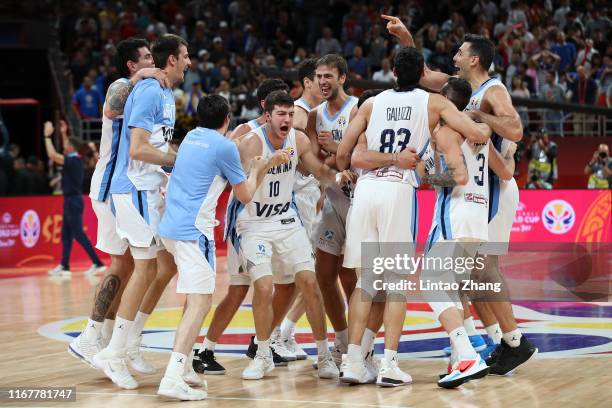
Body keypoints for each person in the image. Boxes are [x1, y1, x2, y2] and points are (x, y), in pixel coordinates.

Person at [336, 48, 491, 388]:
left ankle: (352, 362)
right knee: (396, 286)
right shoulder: (433, 102)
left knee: (365, 283)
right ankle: (389, 363)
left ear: (392, 72)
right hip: (397, 192)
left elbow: (343, 155)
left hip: (365, 193)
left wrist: (382, 156)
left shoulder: (371, 103)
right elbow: (476, 132)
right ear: (422, 71)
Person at [156, 95, 287, 400]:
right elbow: (245, 195)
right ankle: (172, 375)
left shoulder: (191, 137)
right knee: (201, 303)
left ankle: (185, 365)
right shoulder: (225, 147)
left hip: (171, 228)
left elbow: (219, 148)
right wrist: (260, 167)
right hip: (193, 232)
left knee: (194, 300)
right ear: (227, 118)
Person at [93, 34, 190, 390]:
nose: (190, 62)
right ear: (171, 61)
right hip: (131, 188)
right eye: (185, 56)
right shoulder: (147, 90)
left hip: (147, 189)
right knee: (144, 266)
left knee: (163, 265)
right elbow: (137, 149)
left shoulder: (166, 94)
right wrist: (179, 160)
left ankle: (126, 344)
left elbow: (156, 145)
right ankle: (112, 350)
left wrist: (172, 159)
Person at [67, 37, 169, 368]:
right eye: (147, 58)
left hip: (124, 188)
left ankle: (112, 342)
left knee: (133, 267)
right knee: (126, 266)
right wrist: (140, 78)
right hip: (110, 188)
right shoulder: (123, 84)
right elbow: (111, 109)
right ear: (131, 64)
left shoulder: (147, 92)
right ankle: (91, 335)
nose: (153, 62)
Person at [226, 90, 341, 380]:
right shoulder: (251, 143)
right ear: (268, 117)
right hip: (253, 223)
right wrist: (265, 164)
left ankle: (325, 355)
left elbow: (317, 170)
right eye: (281, 114)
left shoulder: (298, 139)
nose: (287, 119)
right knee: (264, 287)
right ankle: (263, 354)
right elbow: (240, 188)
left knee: (310, 282)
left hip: (286, 219)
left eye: (290, 114)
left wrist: (338, 178)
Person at [306, 54, 359, 365]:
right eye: (319, 76)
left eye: (329, 76)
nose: (323, 82)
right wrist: (334, 155)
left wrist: (335, 150)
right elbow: (314, 162)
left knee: (349, 276)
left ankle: (357, 347)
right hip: (331, 198)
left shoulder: (358, 108)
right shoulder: (314, 116)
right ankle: (340, 341)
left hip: (356, 199)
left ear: (342, 78)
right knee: (324, 274)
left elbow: (359, 155)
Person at [45, 121, 106, 277]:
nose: (64, 146)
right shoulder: (75, 158)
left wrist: (47, 136)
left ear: (72, 147)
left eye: (67, 145)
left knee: (78, 233)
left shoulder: (73, 160)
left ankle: (97, 263)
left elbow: (52, 155)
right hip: (71, 200)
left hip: (73, 201)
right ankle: (64, 266)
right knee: (66, 235)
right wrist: (64, 132)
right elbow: (68, 146)